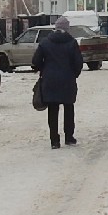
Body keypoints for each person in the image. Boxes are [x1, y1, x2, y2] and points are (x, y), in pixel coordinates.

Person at [32, 17, 84, 148]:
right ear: (67, 28)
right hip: (67, 79)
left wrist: (43, 69)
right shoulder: (72, 43)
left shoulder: (45, 42)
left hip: (50, 81)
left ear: (55, 28)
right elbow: (78, 62)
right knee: (68, 107)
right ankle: (69, 137)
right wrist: (73, 75)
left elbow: (36, 61)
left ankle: (54, 140)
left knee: (53, 109)